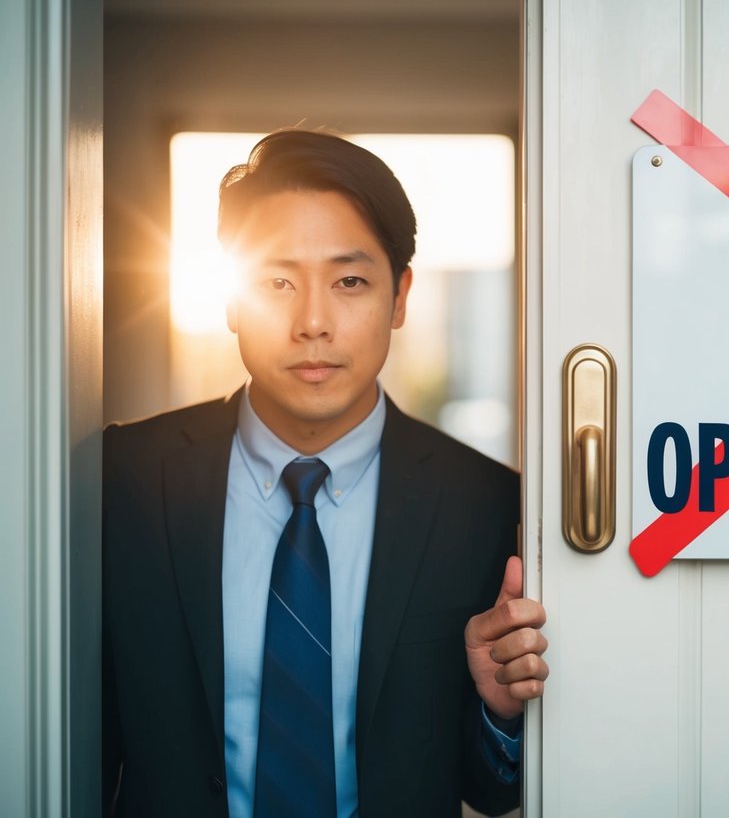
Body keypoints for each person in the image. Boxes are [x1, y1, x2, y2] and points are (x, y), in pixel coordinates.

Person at [102, 130, 548, 818]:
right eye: (275, 281)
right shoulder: (122, 481)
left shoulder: (486, 504)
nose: (312, 322)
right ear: (227, 295)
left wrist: (498, 716)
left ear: (399, 297)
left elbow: (489, 790)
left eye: (349, 281)